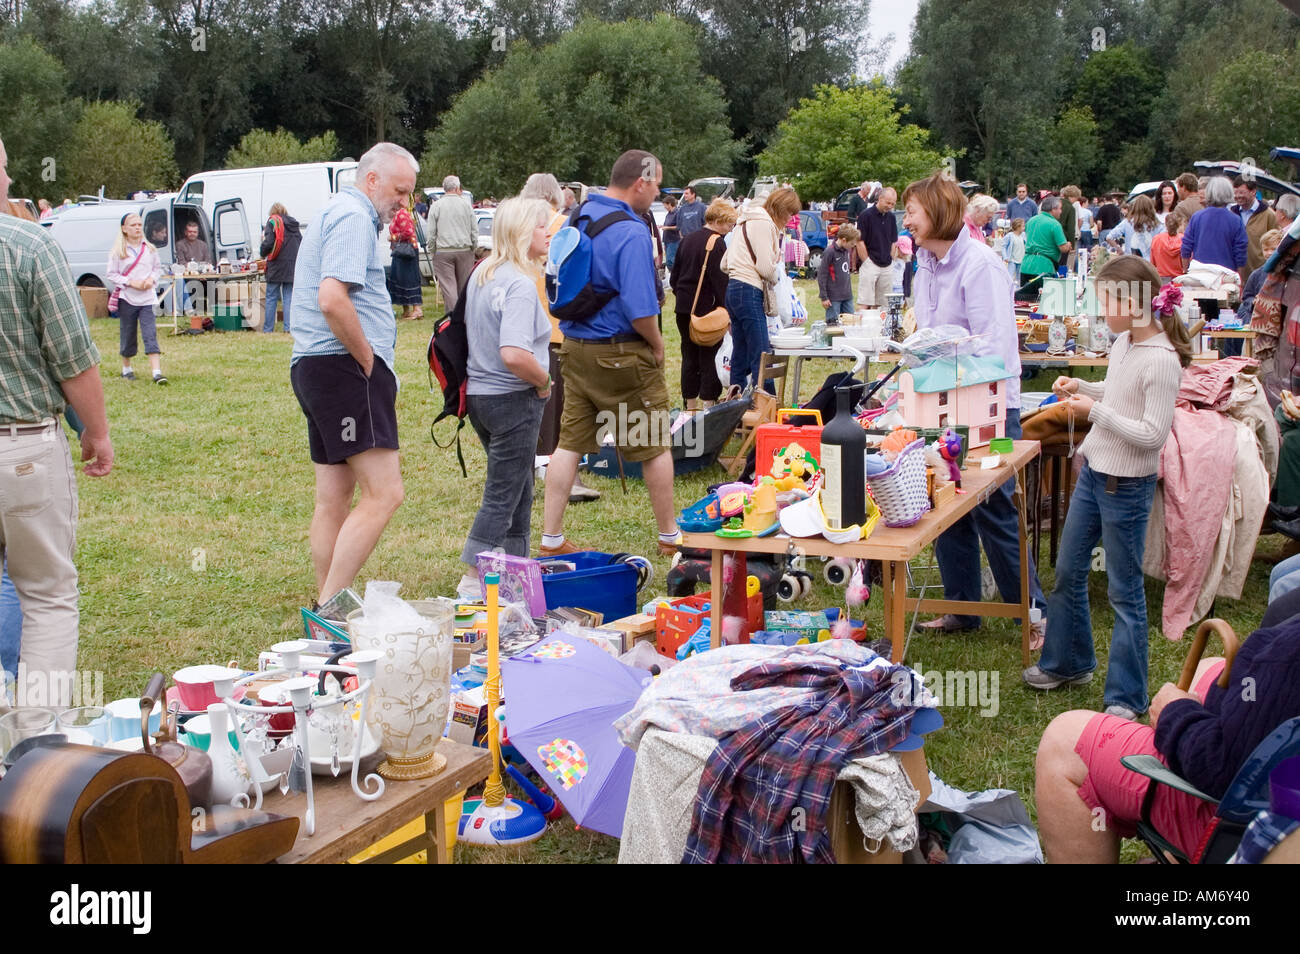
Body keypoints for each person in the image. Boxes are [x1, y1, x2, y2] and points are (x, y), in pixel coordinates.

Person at [1024, 256, 1191, 719]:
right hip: (1096, 474)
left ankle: (1126, 695)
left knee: (1124, 592)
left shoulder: (1161, 360)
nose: (1101, 312)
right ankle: (1067, 663)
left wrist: (1092, 412)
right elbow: (1119, 394)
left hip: (1127, 488)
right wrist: (1083, 386)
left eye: (1106, 301)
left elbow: (1152, 434)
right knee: (1067, 571)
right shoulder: (1124, 344)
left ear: (1132, 303)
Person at [902, 173, 1047, 641]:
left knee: (993, 506)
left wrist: (961, 387)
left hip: (987, 405)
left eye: (913, 212)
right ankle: (963, 608)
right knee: (944, 497)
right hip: (942, 401)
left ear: (939, 213)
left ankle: (1032, 613)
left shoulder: (980, 264)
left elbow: (994, 347)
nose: (907, 221)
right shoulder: (925, 263)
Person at [1034, 613, 1300, 863]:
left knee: (1064, 740)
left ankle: (1184, 844)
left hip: (1257, 826)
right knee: (1207, 669)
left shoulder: (1289, 653)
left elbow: (1223, 767)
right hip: (1271, 761)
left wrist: (1175, 714)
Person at [0, 134, 114, 707]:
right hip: (21, 449)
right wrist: (96, 432)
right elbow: (73, 355)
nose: (11, 183)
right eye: (4, 170)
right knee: (46, 597)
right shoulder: (28, 245)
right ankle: (33, 747)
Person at [289, 142, 417, 606]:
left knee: (334, 498)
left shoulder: (336, 211)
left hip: (315, 368)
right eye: (400, 192)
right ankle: (330, 606)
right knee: (385, 494)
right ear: (372, 180)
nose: (404, 204)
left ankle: (327, 609)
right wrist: (368, 360)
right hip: (343, 370)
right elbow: (332, 298)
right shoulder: (353, 217)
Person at [539, 150, 680, 558]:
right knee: (652, 442)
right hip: (622, 354)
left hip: (575, 348)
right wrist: (656, 344)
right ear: (642, 182)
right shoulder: (632, 232)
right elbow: (641, 309)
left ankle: (551, 537)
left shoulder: (578, 216)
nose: (656, 195)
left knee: (569, 442)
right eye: (656, 186)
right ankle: (670, 537)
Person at [458, 197, 555, 594]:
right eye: (539, 226)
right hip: (513, 397)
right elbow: (514, 353)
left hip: (480, 396)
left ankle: (516, 570)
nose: (547, 233)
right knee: (503, 493)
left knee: (519, 488)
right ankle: (469, 578)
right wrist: (544, 381)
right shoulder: (517, 284)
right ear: (519, 232)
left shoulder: (483, 273)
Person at [519, 172, 600, 503]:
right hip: (559, 327)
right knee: (564, 408)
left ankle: (530, 470)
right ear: (556, 196)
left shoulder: (516, 226)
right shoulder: (568, 225)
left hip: (521, 330)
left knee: (530, 406)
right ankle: (566, 473)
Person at [724, 186, 800, 392]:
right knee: (761, 353)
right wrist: (777, 276)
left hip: (732, 289)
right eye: (789, 213)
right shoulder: (765, 224)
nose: (790, 219)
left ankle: (735, 405)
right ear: (780, 209)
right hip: (749, 290)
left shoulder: (744, 221)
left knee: (740, 353)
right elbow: (765, 268)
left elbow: (724, 263)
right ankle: (767, 407)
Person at [671, 198, 736, 410]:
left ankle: (690, 406)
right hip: (706, 308)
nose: (729, 228)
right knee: (709, 356)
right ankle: (708, 404)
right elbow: (720, 281)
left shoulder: (687, 239)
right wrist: (727, 311)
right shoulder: (716, 242)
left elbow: (674, 276)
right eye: (728, 224)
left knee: (688, 356)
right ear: (718, 220)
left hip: (683, 308)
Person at [108, 213, 167, 385]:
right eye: (133, 225)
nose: (137, 228)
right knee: (128, 333)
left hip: (147, 299)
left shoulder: (149, 249)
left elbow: (157, 268)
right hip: (127, 298)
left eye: (139, 225)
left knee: (150, 333)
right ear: (124, 229)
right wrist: (130, 282)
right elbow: (112, 274)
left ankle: (157, 372)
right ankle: (126, 368)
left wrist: (151, 280)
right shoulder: (119, 251)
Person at [1181, 177, 1249, 283]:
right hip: (1226, 276)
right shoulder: (1236, 220)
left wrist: (1185, 271)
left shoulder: (1197, 217)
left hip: (1199, 274)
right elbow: (1240, 253)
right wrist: (1241, 280)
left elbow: (1186, 247)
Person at [426, 174, 476, 313]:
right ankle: (464, 316)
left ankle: (453, 318)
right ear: (457, 187)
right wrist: (473, 246)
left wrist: (432, 249)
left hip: (443, 251)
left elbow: (431, 232)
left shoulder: (436, 206)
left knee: (449, 288)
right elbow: (474, 229)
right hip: (465, 250)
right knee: (463, 287)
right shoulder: (466, 205)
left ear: (444, 188)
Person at [1017, 196, 1070, 300]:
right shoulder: (1055, 224)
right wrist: (1068, 245)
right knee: (1042, 302)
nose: (1061, 211)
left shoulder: (1031, 221)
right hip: (1044, 267)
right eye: (1060, 208)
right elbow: (1063, 248)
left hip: (1026, 264)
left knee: (1024, 301)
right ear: (1053, 209)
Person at [260, 202, 302, 333]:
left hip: (276, 265)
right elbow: (301, 242)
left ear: (272, 213)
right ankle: (288, 328)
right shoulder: (294, 225)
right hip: (291, 266)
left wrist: (262, 253)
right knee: (288, 297)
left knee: (271, 296)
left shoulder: (273, 222)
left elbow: (268, 243)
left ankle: (268, 329)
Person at [855, 186, 898, 309]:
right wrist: (867, 261)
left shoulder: (891, 217)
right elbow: (860, 241)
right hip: (870, 263)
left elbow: (893, 241)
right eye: (888, 202)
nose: (890, 206)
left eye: (893, 204)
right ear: (880, 198)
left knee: (883, 304)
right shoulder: (865, 216)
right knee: (865, 300)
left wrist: (891, 259)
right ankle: (863, 327)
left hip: (887, 265)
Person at [1231, 175, 1278, 273]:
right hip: (1234, 273)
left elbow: (1276, 244)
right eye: (1235, 192)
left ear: (1253, 192)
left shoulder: (1268, 215)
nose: (1238, 196)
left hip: (1259, 273)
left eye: (1241, 192)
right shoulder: (1231, 213)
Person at [386, 205, 423, 321]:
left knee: (409, 280)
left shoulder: (402, 214)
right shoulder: (398, 213)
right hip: (400, 251)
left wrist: (392, 237)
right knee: (400, 280)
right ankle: (406, 310)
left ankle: (417, 310)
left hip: (407, 251)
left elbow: (408, 232)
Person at [817, 223, 859, 325]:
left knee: (851, 323)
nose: (853, 246)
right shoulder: (829, 252)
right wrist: (824, 297)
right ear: (844, 240)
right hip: (833, 298)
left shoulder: (846, 251)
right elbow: (822, 275)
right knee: (833, 325)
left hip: (847, 296)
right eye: (852, 244)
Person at [1106, 194, 1159, 260]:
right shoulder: (1155, 224)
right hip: (1149, 263)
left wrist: (1119, 250)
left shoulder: (1127, 222)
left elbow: (1109, 237)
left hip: (1131, 261)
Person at [1149, 212, 1186, 285]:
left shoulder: (1157, 239)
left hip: (1162, 282)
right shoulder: (1184, 240)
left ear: (1166, 225)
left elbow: (1153, 263)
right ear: (1180, 225)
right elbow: (1187, 264)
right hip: (1180, 281)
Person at [1000, 217, 1026, 285]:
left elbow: (1026, 245)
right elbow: (1003, 246)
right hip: (1012, 260)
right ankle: (1008, 288)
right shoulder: (1009, 236)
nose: (1024, 227)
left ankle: (1018, 290)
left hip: (1021, 259)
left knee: (1019, 277)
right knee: (1010, 276)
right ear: (1018, 227)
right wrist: (1005, 257)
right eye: (1023, 226)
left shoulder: (1023, 235)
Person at [661, 195, 680, 270]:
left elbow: (679, 226)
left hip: (674, 240)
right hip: (667, 240)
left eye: (665, 205)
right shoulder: (669, 213)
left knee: (671, 261)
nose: (664, 207)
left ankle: (674, 277)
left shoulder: (677, 213)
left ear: (669, 204)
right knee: (668, 260)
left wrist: (667, 228)